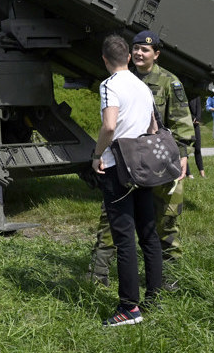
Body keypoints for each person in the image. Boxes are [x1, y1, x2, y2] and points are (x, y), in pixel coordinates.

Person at [89, 31, 193, 287]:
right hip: (127, 163)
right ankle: (98, 274)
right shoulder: (126, 79)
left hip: (162, 160)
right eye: (135, 49)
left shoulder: (170, 82)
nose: (139, 53)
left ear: (156, 54)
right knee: (111, 219)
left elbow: (181, 123)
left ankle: (169, 278)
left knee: (165, 221)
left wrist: (182, 155)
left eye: (145, 50)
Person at [91, 34, 163, 327]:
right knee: (149, 233)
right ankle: (154, 296)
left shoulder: (109, 85)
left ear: (105, 60)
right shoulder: (142, 86)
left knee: (124, 239)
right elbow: (153, 126)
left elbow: (109, 126)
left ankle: (128, 308)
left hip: (117, 167)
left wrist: (97, 154)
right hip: (143, 165)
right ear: (129, 58)